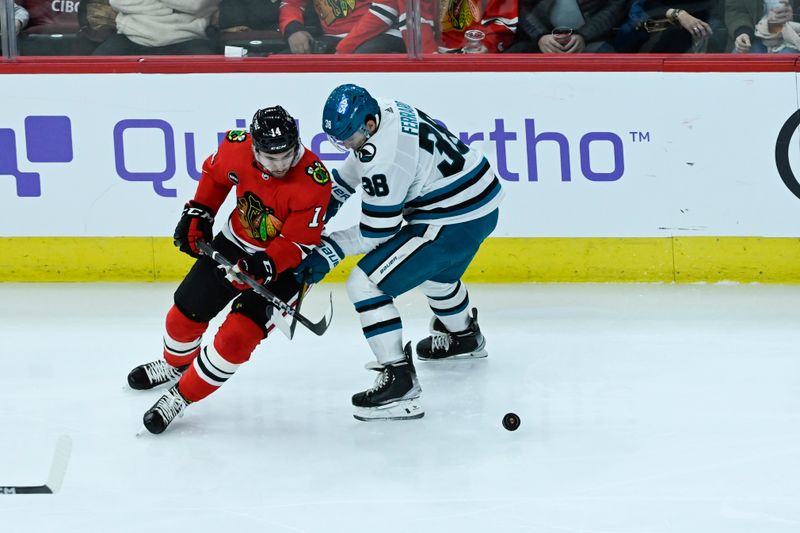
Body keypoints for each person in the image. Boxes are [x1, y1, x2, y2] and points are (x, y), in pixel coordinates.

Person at [294, 85, 503, 421]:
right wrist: (328, 201)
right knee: (437, 275)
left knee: (365, 283)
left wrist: (327, 252)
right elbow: (358, 165)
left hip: (451, 219)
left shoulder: (385, 158)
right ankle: (463, 337)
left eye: (349, 137)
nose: (345, 145)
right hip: (479, 205)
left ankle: (399, 384)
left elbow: (378, 232)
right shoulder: (386, 108)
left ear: (370, 124)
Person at [127, 106, 331, 434]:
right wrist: (200, 212)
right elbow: (214, 176)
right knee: (181, 318)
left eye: (287, 156)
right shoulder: (236, 148)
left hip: (286, 269)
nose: (279, 165)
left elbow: (297, 244)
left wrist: (264, 265)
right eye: (270, 157)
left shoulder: (314, 180)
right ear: (254, 147)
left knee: (236, 339)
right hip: (233, 244)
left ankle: (181, 396)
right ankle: (176, 366)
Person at [279, 0, 410, 54]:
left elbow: (385, 10)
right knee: (285, 61)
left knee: (361, 61)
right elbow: (291, 4)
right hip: (333, 39)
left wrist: (343, 50)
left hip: (383, 34)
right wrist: (294, 29)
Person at [92, 0, 220, 55]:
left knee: (208, 82)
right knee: (91, 75)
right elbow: (119, 2)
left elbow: (195, 4)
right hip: (132, 37)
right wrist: (172, 7)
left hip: (186, 39)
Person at [507, 0, 627, 53]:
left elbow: (617, 6)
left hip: (594, 43)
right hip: (536, 45)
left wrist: (584, 35)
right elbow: (517, 6)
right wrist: (540, 36)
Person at [727, 0, 800, 53]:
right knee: (741, 61)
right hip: (754, 36)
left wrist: (794, 16)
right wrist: (743, 32)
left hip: (793, 38)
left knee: (788, 61)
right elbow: (735, 11)